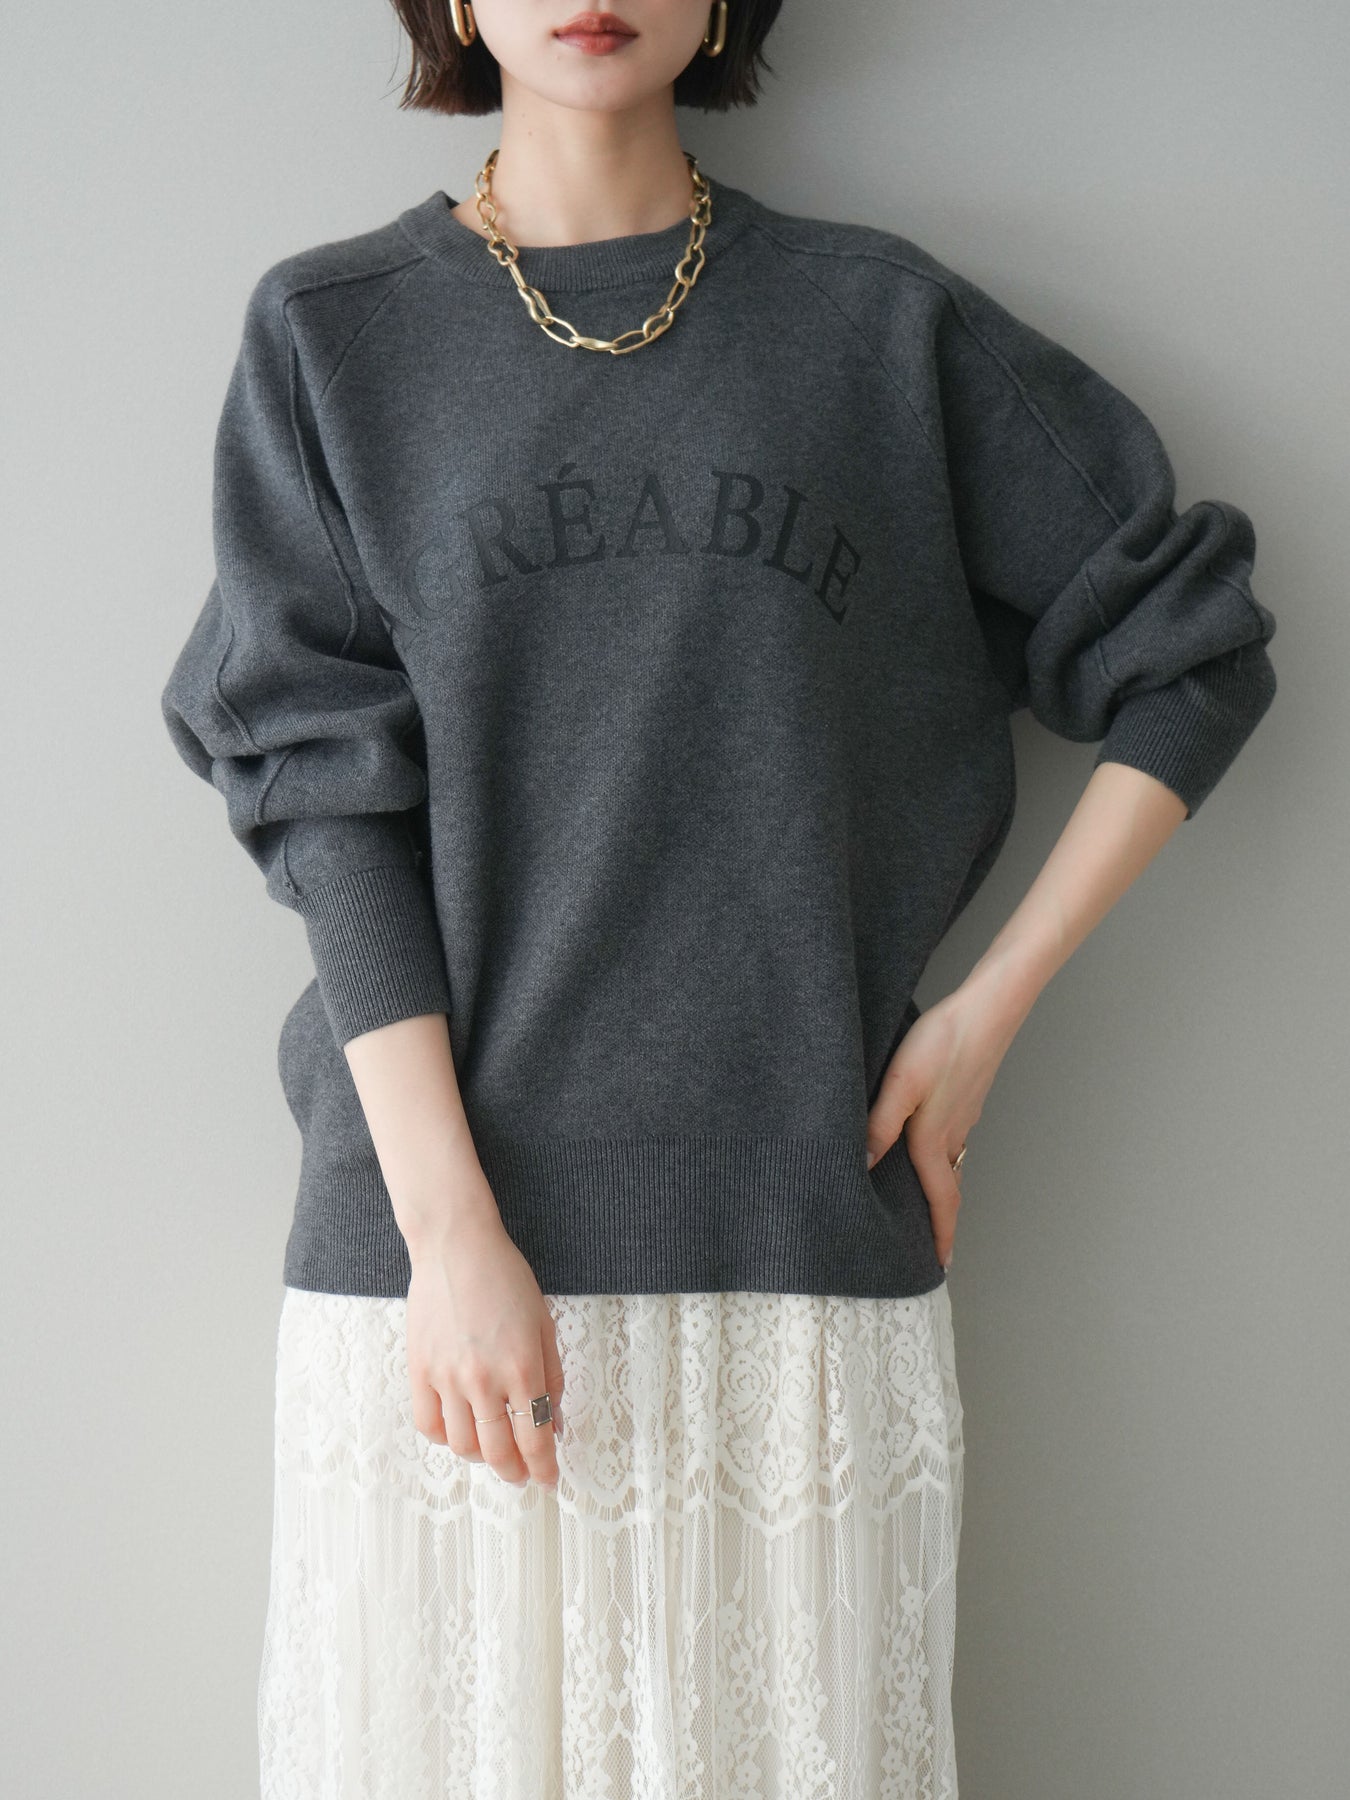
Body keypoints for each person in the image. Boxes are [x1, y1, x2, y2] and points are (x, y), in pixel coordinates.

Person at [158, 3, 1279, 1795]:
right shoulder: (333, 335)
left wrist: (980, 1025)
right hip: (438, 1279)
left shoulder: (875, 324)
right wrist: (450, 1238)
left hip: (796, 1255)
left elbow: (1189, 649)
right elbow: (321, 794)